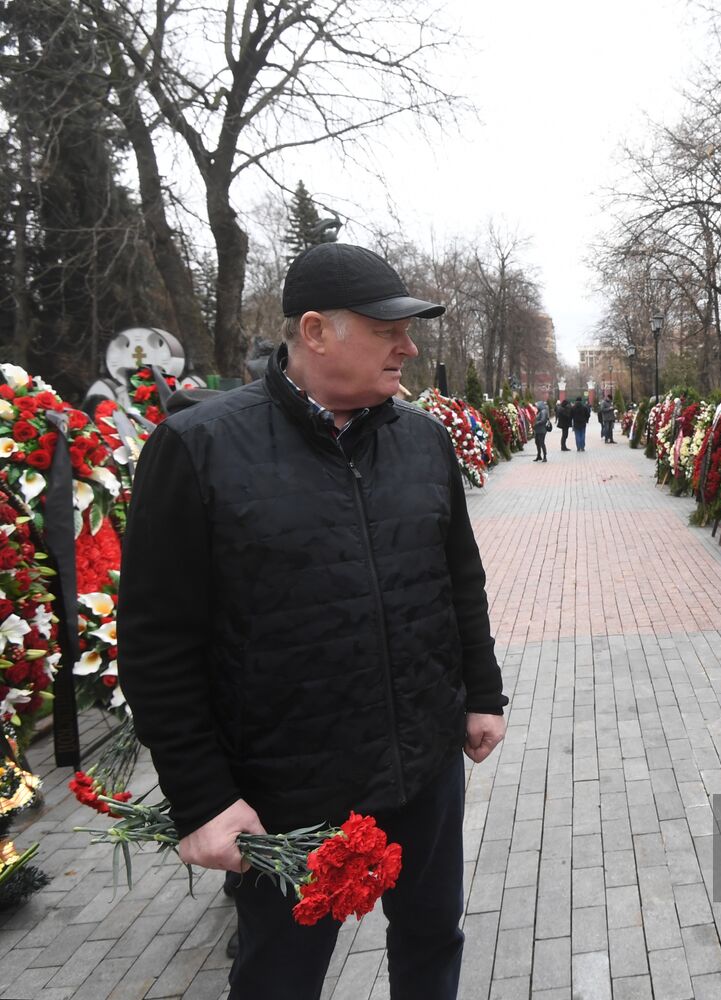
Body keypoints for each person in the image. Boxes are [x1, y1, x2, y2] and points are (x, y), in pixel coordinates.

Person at [119, 242, 508, 1000]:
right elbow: (157, 641)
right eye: (386, 328)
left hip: (423, 763)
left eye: (409, 328)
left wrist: (481, 694)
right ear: (315, 331)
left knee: (433, 938)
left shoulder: (422, 441)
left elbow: (458, 580)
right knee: (279, 977)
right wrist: (201, 798)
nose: (409, 345)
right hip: (287, 789)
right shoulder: (198, 447)